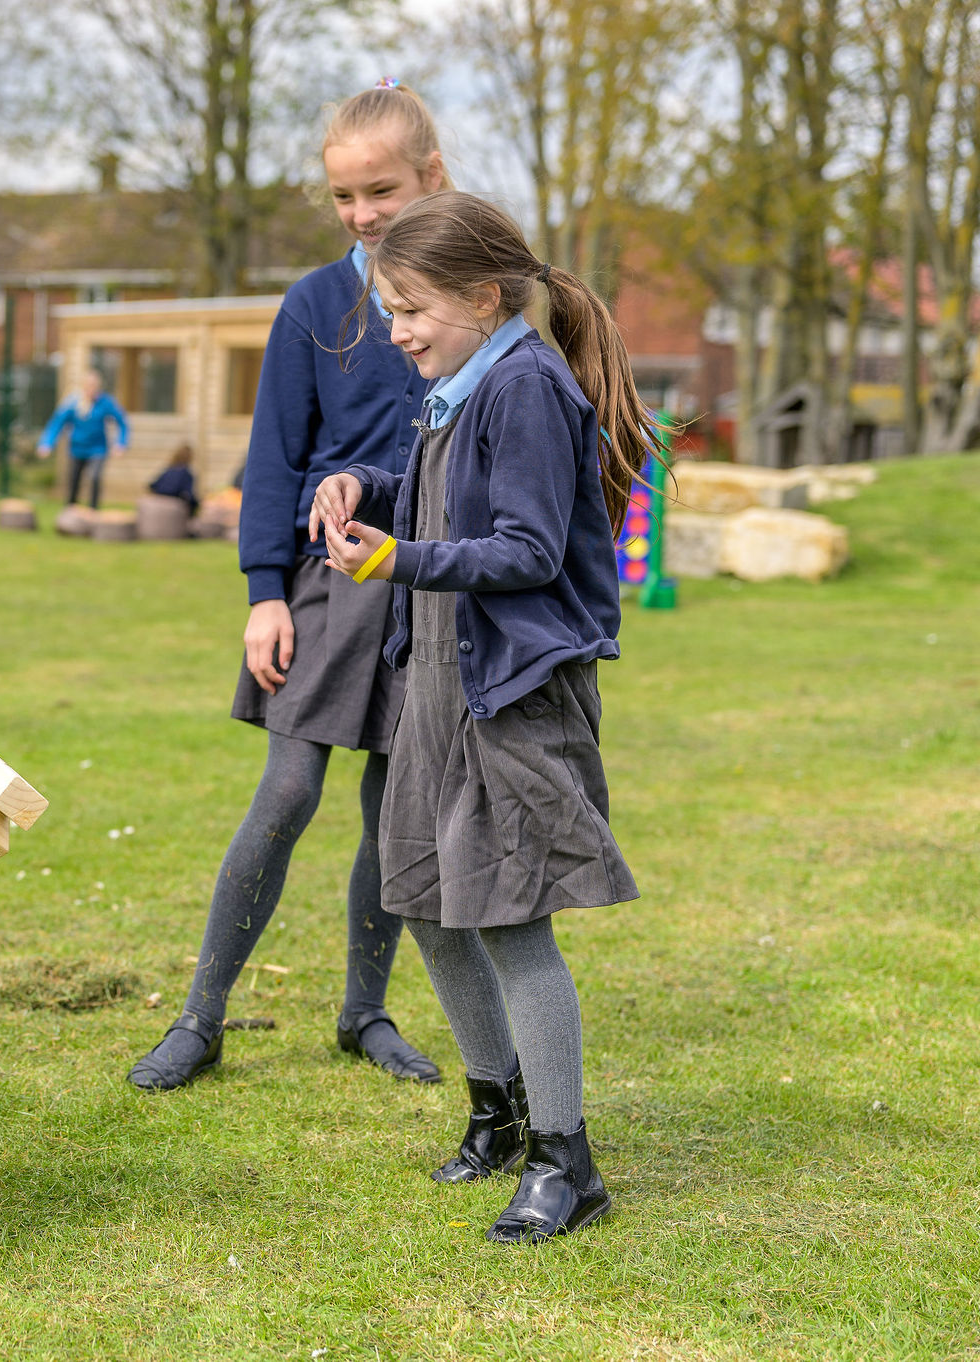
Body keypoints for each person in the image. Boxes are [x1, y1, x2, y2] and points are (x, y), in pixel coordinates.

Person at [312, 189, 646, 1243]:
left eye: (410, 309)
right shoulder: (461, 385)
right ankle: (494, 1109)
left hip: (510, 696)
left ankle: (566, 1161)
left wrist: (395, 560)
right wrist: (361, 486)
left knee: (508, 919)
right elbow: (437, 496)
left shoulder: (525, 387)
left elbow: (528, 550)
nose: (398, 332)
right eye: (390, 310)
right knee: (423, 898)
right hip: (435, 688)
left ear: (483, 297)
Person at [130, 81, 447, 1093]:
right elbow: (272, 457)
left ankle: (364, 1013)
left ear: (430, 178)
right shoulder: (314, 303)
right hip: (325, 579)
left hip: (436, 581)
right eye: (342, 197)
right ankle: (200, 1018)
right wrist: (265, 591)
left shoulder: (477, 296)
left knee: (395, 811)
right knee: (286, 792)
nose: (361, 214)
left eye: (380, 191)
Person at [39, 369, 129, 507]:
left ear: (98, 387)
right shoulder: (73, 403)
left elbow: (122, 422)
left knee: (94, 477)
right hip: (77, 449)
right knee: (73, 482)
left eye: (93, 385)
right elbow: (57, 423)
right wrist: (46, 443)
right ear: (83, 386)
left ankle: (93, 512)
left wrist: (120, 444)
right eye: (88, 385)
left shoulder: (105, 402)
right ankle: (70, 513)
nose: (90, 389)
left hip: (98, 449)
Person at [147, 444, 200, 517]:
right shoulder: (187, 474)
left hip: (157, 502)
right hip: (174, 504)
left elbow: (152, 485)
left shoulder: (169, 470)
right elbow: (189, 495)